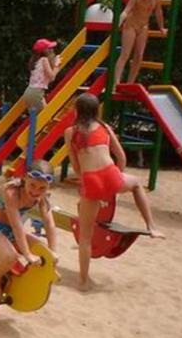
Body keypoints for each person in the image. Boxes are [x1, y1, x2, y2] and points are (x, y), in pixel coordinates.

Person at [64, 94, 164, 289]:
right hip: (110, 174)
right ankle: (151, 226)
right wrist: (114, 181)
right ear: (96, 111)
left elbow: (76, 166)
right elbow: (121, 157)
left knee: (85, 237)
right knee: (136, 184)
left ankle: (83, 281)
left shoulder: (71, 132)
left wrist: (91, 187)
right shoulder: (105, 128)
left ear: (77, 111)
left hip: (91, 179)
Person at [0, 160, 58, 313]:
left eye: (42, 188)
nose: (35, 191)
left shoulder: (42, 198)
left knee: (43, 249)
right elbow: (16, 226)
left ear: (48, 187)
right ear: (25, 178)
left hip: (13, 233)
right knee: (11, 256)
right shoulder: (11, 192)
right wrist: (27, 254)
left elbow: (50, 224)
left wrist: (52, 253)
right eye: (32, 185)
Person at [114, 0, 166, 86]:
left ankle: (130, 83)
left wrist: (161, 28)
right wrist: (119, 21)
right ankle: (116, 82)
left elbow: (158, 13)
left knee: (139, 55)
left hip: (143, 27)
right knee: (125, 54)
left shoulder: (155, 0)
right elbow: (126, 10)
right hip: (131, 25)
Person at [22, 38, 60, 111]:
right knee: (45, 117)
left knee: (38, 118)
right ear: (45, 50)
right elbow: (52, 77)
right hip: (36, 92)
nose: (52, 50)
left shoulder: (35, 61)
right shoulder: (44, 60)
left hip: (29, 92)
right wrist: (57, 65)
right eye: (50, 48)